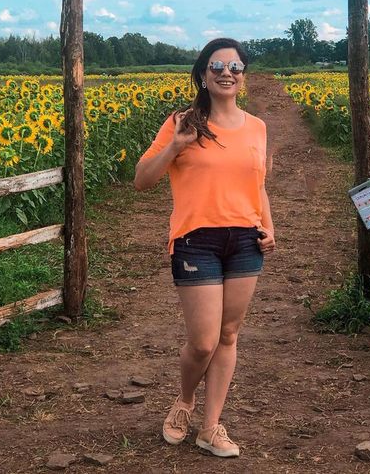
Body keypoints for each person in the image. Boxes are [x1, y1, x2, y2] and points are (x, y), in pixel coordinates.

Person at [133, 37, 276, 457]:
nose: (226, 73)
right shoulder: (182, 122)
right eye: (216, 66)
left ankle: (211, 427)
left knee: (228, 335)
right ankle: (185, 401)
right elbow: (142, 180)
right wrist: (176, 145)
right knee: (202, 342)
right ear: (202, 75)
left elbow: (258, 186)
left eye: (234, 66)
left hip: (246, 241)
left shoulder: (258, 128)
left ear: (243, 76)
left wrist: (269, 227)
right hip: (196, 241)